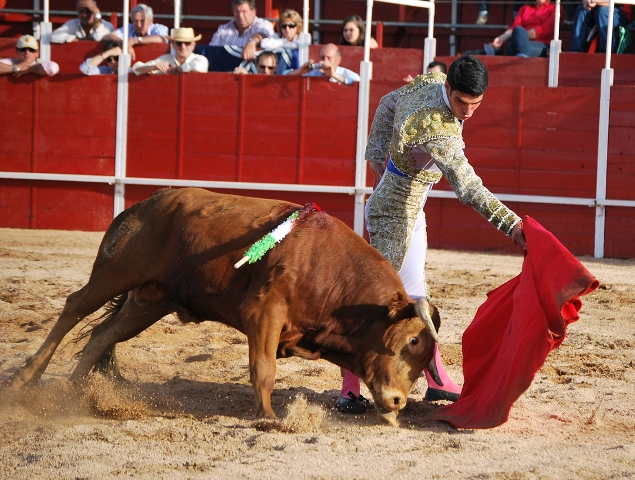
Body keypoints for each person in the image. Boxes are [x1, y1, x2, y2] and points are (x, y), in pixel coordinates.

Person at [336, 55, 527, 414]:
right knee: (378, 303)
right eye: (461, 103)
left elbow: (387, 102)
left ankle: (436, 381)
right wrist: (512, 224)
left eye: (476, 105)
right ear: (448, 88)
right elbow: (468, 187)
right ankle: (351, 388)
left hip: (406, 204)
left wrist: (377, 157)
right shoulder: (440, 131)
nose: (467, 113)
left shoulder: (427, 82)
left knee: (415, 295)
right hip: (396, 216)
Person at [209, 0, 275, 61]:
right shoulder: (223, 30)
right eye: (237, 11)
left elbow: (264, 33)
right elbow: (211, 52)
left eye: (244, 11)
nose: (240, 15)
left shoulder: (264, 24)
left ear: (253, 12)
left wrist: (252, 42)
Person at [491, 0, 558, 57]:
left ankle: (521, 61)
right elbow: (514, 26)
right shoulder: (525, 8)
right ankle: (521, 58)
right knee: (511, 46)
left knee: (516, 39)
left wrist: (521, 35)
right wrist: (502, 38)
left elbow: (543, 30)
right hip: (524, 41)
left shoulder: (555, 8)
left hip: (544, 44)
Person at [102, 3, 168, 59]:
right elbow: (107, 36)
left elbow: (163, 38)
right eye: (135, 21)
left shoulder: (158, 28)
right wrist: (124, 43)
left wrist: (135, 40)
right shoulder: (129, 27)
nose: (139, 25)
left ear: (150, 21)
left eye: (142, 21)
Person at [132, 27, 208, 75]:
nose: (183, 46)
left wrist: (176, 69)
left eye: (187, 43)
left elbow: (196, 67)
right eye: (179, 43)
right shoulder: (165, 59)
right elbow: (137, 69)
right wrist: (154, 67)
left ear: (193, 45)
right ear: (173, 45)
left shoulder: (200, 59)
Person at [284, 43, 360, 85]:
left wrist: (334, 75)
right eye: (322, 57)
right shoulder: (313, 72)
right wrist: (299, 72)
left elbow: (358, 82)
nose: (325, 61)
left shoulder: (344, 73)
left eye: (329, 58)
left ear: (338, 60)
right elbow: (284, 74)